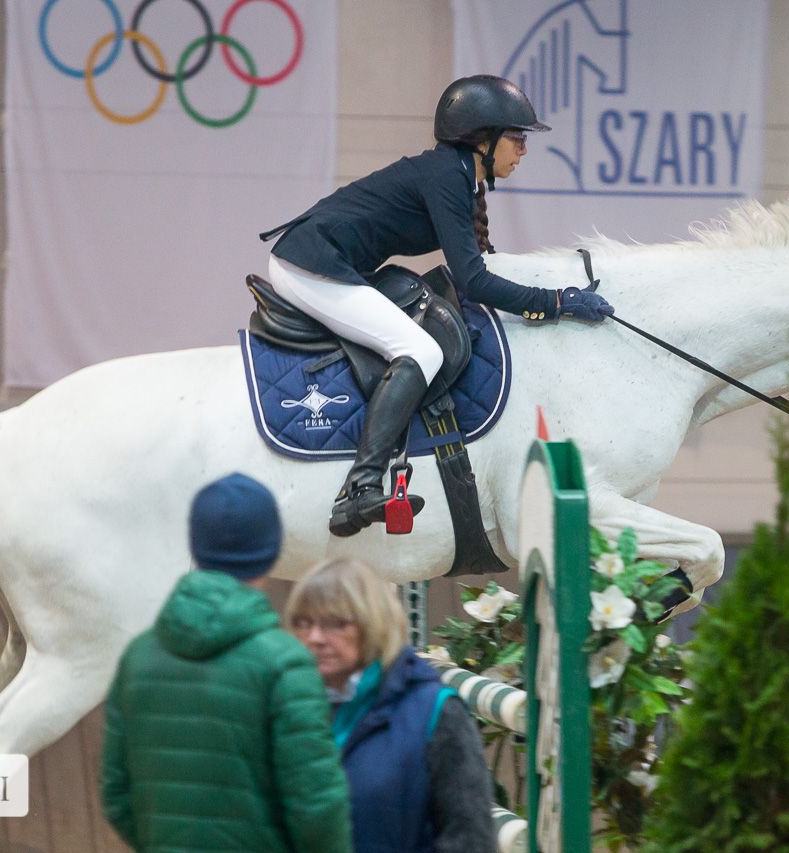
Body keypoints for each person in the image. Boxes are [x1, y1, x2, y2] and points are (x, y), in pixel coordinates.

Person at [260, 74, 614, 537]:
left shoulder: (460, 177)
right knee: (422, 351)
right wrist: (555, 302)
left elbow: (483, 265)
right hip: (309, 266)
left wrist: (551, 293)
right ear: (483, 140)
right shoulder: (448, 176)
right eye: (517, 138)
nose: (524, 150)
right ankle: (360, 488)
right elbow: (475, 281)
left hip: (330, 263)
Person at [100, 473, 352, 853]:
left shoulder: (137, 657)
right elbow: (316, 807)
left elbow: (117, 795)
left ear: (195, 546)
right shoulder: (285, 664)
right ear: (272, 551)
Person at [284, 557, 498, 853]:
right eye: (303, 623)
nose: (315, 637)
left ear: (374, 625)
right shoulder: (288, 707)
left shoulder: (436, 712)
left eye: (336, 623)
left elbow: (470, 839)